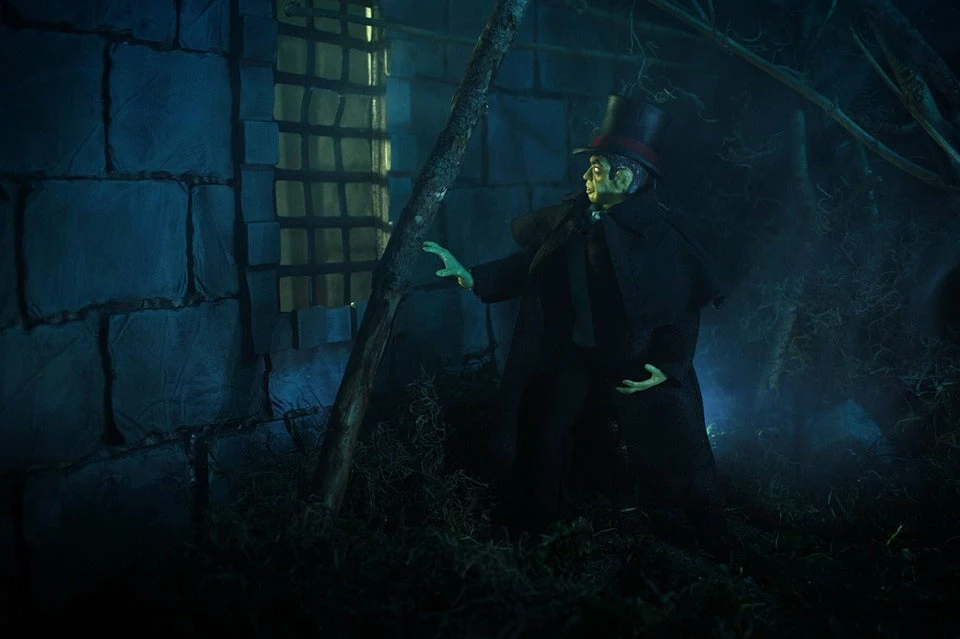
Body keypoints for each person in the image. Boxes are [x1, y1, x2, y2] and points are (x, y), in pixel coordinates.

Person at [423, 94, 729, 550]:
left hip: (635, 368)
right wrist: (474, 276)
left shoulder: (660, 240)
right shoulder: (577, 221)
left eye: (597, 168)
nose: (587, 175)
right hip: (579, 359)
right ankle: (542, 523)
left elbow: (681, 306)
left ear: (623, 177)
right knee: (547, 430)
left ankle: (703, 533)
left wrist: (669, 366)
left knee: (675, 450)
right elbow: (534, 265)